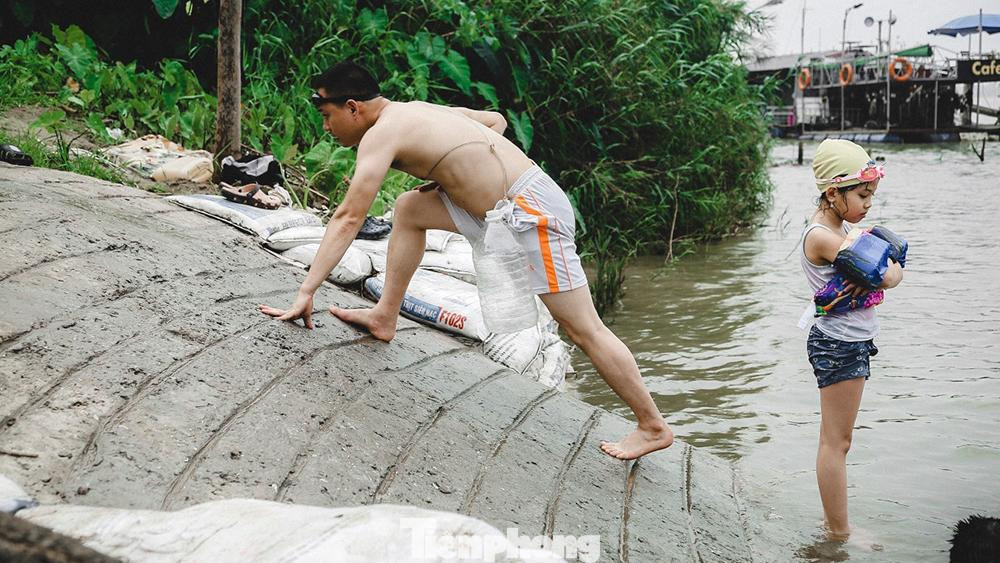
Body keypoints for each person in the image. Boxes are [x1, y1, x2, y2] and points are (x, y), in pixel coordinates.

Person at [259, 61, 673, 460]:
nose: (326, 128)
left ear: (354, 107)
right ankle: (385, 316)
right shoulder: (415, 111)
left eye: (328, 116)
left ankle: (652, 426)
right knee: (409, 209)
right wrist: (450, 173)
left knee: (583, 328)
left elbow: (349, 217)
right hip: (500, 210)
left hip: (530, 212)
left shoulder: (381, 133)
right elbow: (494, 121)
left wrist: (306, 290)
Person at [800, 139, 904, 539]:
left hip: (850, 341)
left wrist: (889, 265)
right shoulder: (823, 237)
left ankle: (834, 526)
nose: (869, 203)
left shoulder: (840, 228)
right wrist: (892, 271)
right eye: (862, 194)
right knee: (836, 443)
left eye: (872, 194)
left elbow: (886, 262)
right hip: (839, 344)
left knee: (838, 440)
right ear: (832, 192)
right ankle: (839, 533)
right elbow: (884, 273)